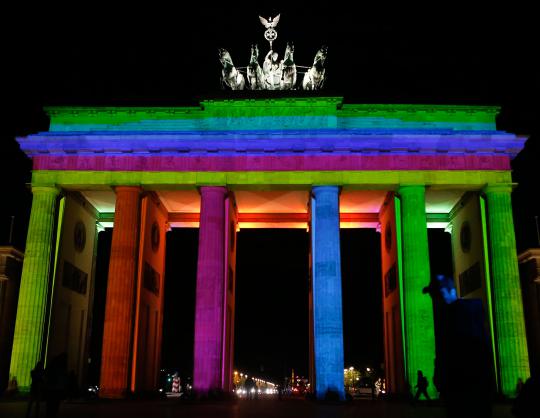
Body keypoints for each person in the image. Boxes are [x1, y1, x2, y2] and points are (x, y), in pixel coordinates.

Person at [44, 353, 68, 418]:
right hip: (56, 389)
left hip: (51, 389)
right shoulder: (61, 368)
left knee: (50, 407)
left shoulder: (51, 367)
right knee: (54, 407)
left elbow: (45, 375)